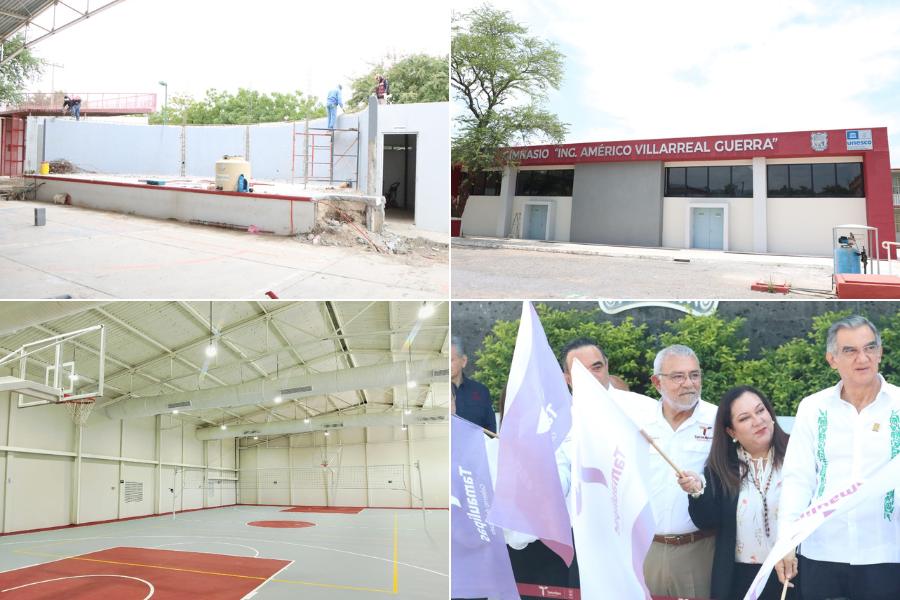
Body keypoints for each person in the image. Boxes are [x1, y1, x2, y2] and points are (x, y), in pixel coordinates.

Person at [777, 315, 900, 600]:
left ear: (880, 353)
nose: (863, 358)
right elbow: (798, 479)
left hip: (886, 551)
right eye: (850, 351)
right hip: (822, 551)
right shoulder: (813, 408)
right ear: (832, 359)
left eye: (870, 348)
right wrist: (787, 541)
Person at [679, 386, 795, 600]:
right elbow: (707, 521)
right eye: (744, 418)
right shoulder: (721, 466)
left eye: (760, 411)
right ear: (731, 432)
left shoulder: (797, 452)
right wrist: (697, 492)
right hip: (741, 578)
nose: (757, 421)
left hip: (793, 572)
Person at [643, 344, 718, 599]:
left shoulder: (718, 420)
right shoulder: (640, 422)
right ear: (657, 382)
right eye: (678, 376)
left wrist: (701, 486)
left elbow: (729, 481)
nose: (689, 383)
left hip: (697, 548)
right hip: (647, 549)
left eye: (694, 375)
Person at [450, 336, 496, 433]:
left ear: (463, 361)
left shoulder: (481, 391)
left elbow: (491, 432)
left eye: (450, 360)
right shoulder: (436, 394)